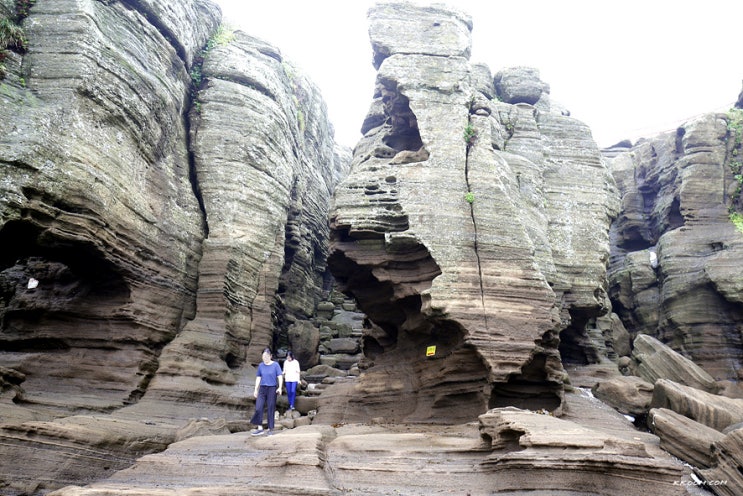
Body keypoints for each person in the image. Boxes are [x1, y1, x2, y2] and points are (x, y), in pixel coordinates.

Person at [250, 348, 283, 436]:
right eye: (263, 356)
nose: (265, 358)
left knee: (271, 408)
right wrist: (255, 389)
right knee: (258, 407)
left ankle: (270, 429)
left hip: (272, 388)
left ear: (271, 356)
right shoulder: (261, 366)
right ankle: (260, 428)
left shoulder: (275, 365)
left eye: (267, 356)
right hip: (262, 388)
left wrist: (280, 387)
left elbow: (280, 376)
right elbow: (258, 378)